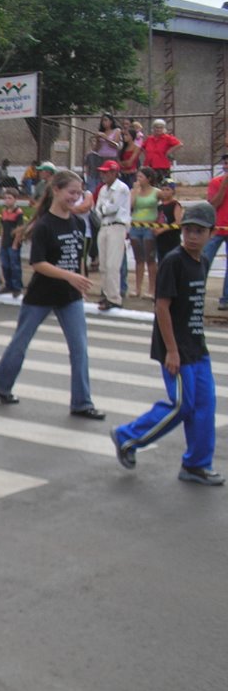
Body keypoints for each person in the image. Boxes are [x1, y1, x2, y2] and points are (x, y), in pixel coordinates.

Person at [111, 202, 223, 485]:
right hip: (176, 348)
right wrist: (172, 351)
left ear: (211, 233)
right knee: (182, 405)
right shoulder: (174, 261)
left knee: (205, 405)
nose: (192, 236)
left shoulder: (203, 261)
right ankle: (127, 436)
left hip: (197, 347)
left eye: (199, 231)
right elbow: (162, 307)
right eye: (187, 230)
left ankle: (196, 465)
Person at [0, 169, 105, 420]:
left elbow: (77, 256)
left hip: (69, 296)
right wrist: (69, 276)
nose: (75, 197)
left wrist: (79, 281)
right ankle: (0, 384)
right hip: (41, 294)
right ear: (56, 191)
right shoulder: (44, 226)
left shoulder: (75, 222)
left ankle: (82, 402)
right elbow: (38, 263)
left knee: (79, 348)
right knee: (20, 342)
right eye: (71, 192)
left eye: (79, 192)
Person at [95, 159, 131, 311]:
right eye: (102, 172)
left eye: (107, 172)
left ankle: (114, 297)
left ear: (114, 173)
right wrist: (104, 208)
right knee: (103, 264)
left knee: (112, 264)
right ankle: (106, 293)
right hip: (104, 225)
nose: (103, 175)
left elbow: (113, 208)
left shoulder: (121, 188)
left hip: (117, 226)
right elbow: (98, 208)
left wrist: (104, 208)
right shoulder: (103, 189)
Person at [200, 152, 228, 311]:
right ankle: (196, 293)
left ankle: (225, 298)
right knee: (204, 260)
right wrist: (223, 186)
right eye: (225, 164)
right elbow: (213, 205)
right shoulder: (215, 182)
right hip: (217, 228)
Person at [129, 167, 159, 299]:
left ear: (149, 179)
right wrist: (135, 190)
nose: (138, 179)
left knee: (150, 258)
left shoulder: (156, 192)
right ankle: (137, 288)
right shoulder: (134, 191)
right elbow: (130, 205)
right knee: (138, 258)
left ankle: (152, 289)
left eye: (141, 177)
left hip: (150, 226)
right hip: (136, 225)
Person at [0, 189, 24, 296]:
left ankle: (17, 287)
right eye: (6, 198)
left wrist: (15, 243)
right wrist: (1, 240)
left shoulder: (18, 212)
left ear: (15, 199)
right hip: (5, 242)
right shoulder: (4, 212)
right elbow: (3, 227)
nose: (7, 200)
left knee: (15, 265)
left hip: (13, 243)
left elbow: (19, 229)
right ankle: (8, 285)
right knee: (5, 265)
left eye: (10, 198)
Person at [153, 179, 183, 264]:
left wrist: (162, 230)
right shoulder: (160, 207)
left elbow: (178, 222)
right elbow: (157, 220)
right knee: (161, 263)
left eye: (167, 189)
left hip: (172, 240)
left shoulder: (175, 205)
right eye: (163, 189)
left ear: (173, 191)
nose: (165, 192)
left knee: (172, 263)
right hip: (161, 241)